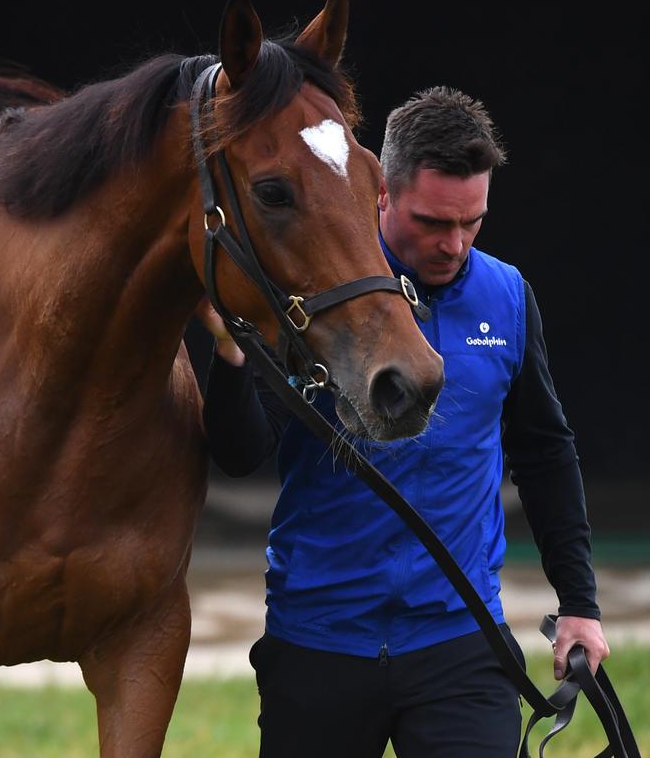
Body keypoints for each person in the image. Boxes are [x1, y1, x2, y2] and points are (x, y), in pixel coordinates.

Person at [197, 86, 609, 757]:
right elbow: (240, 452)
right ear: (381, 195)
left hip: (459, 640)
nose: (454, 244)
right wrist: (231, 353)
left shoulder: (505, 296)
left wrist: (580, 605)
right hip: (319, 638)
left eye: (471, 222)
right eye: (432, 222)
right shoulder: (313, 291)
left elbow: (545, 454)